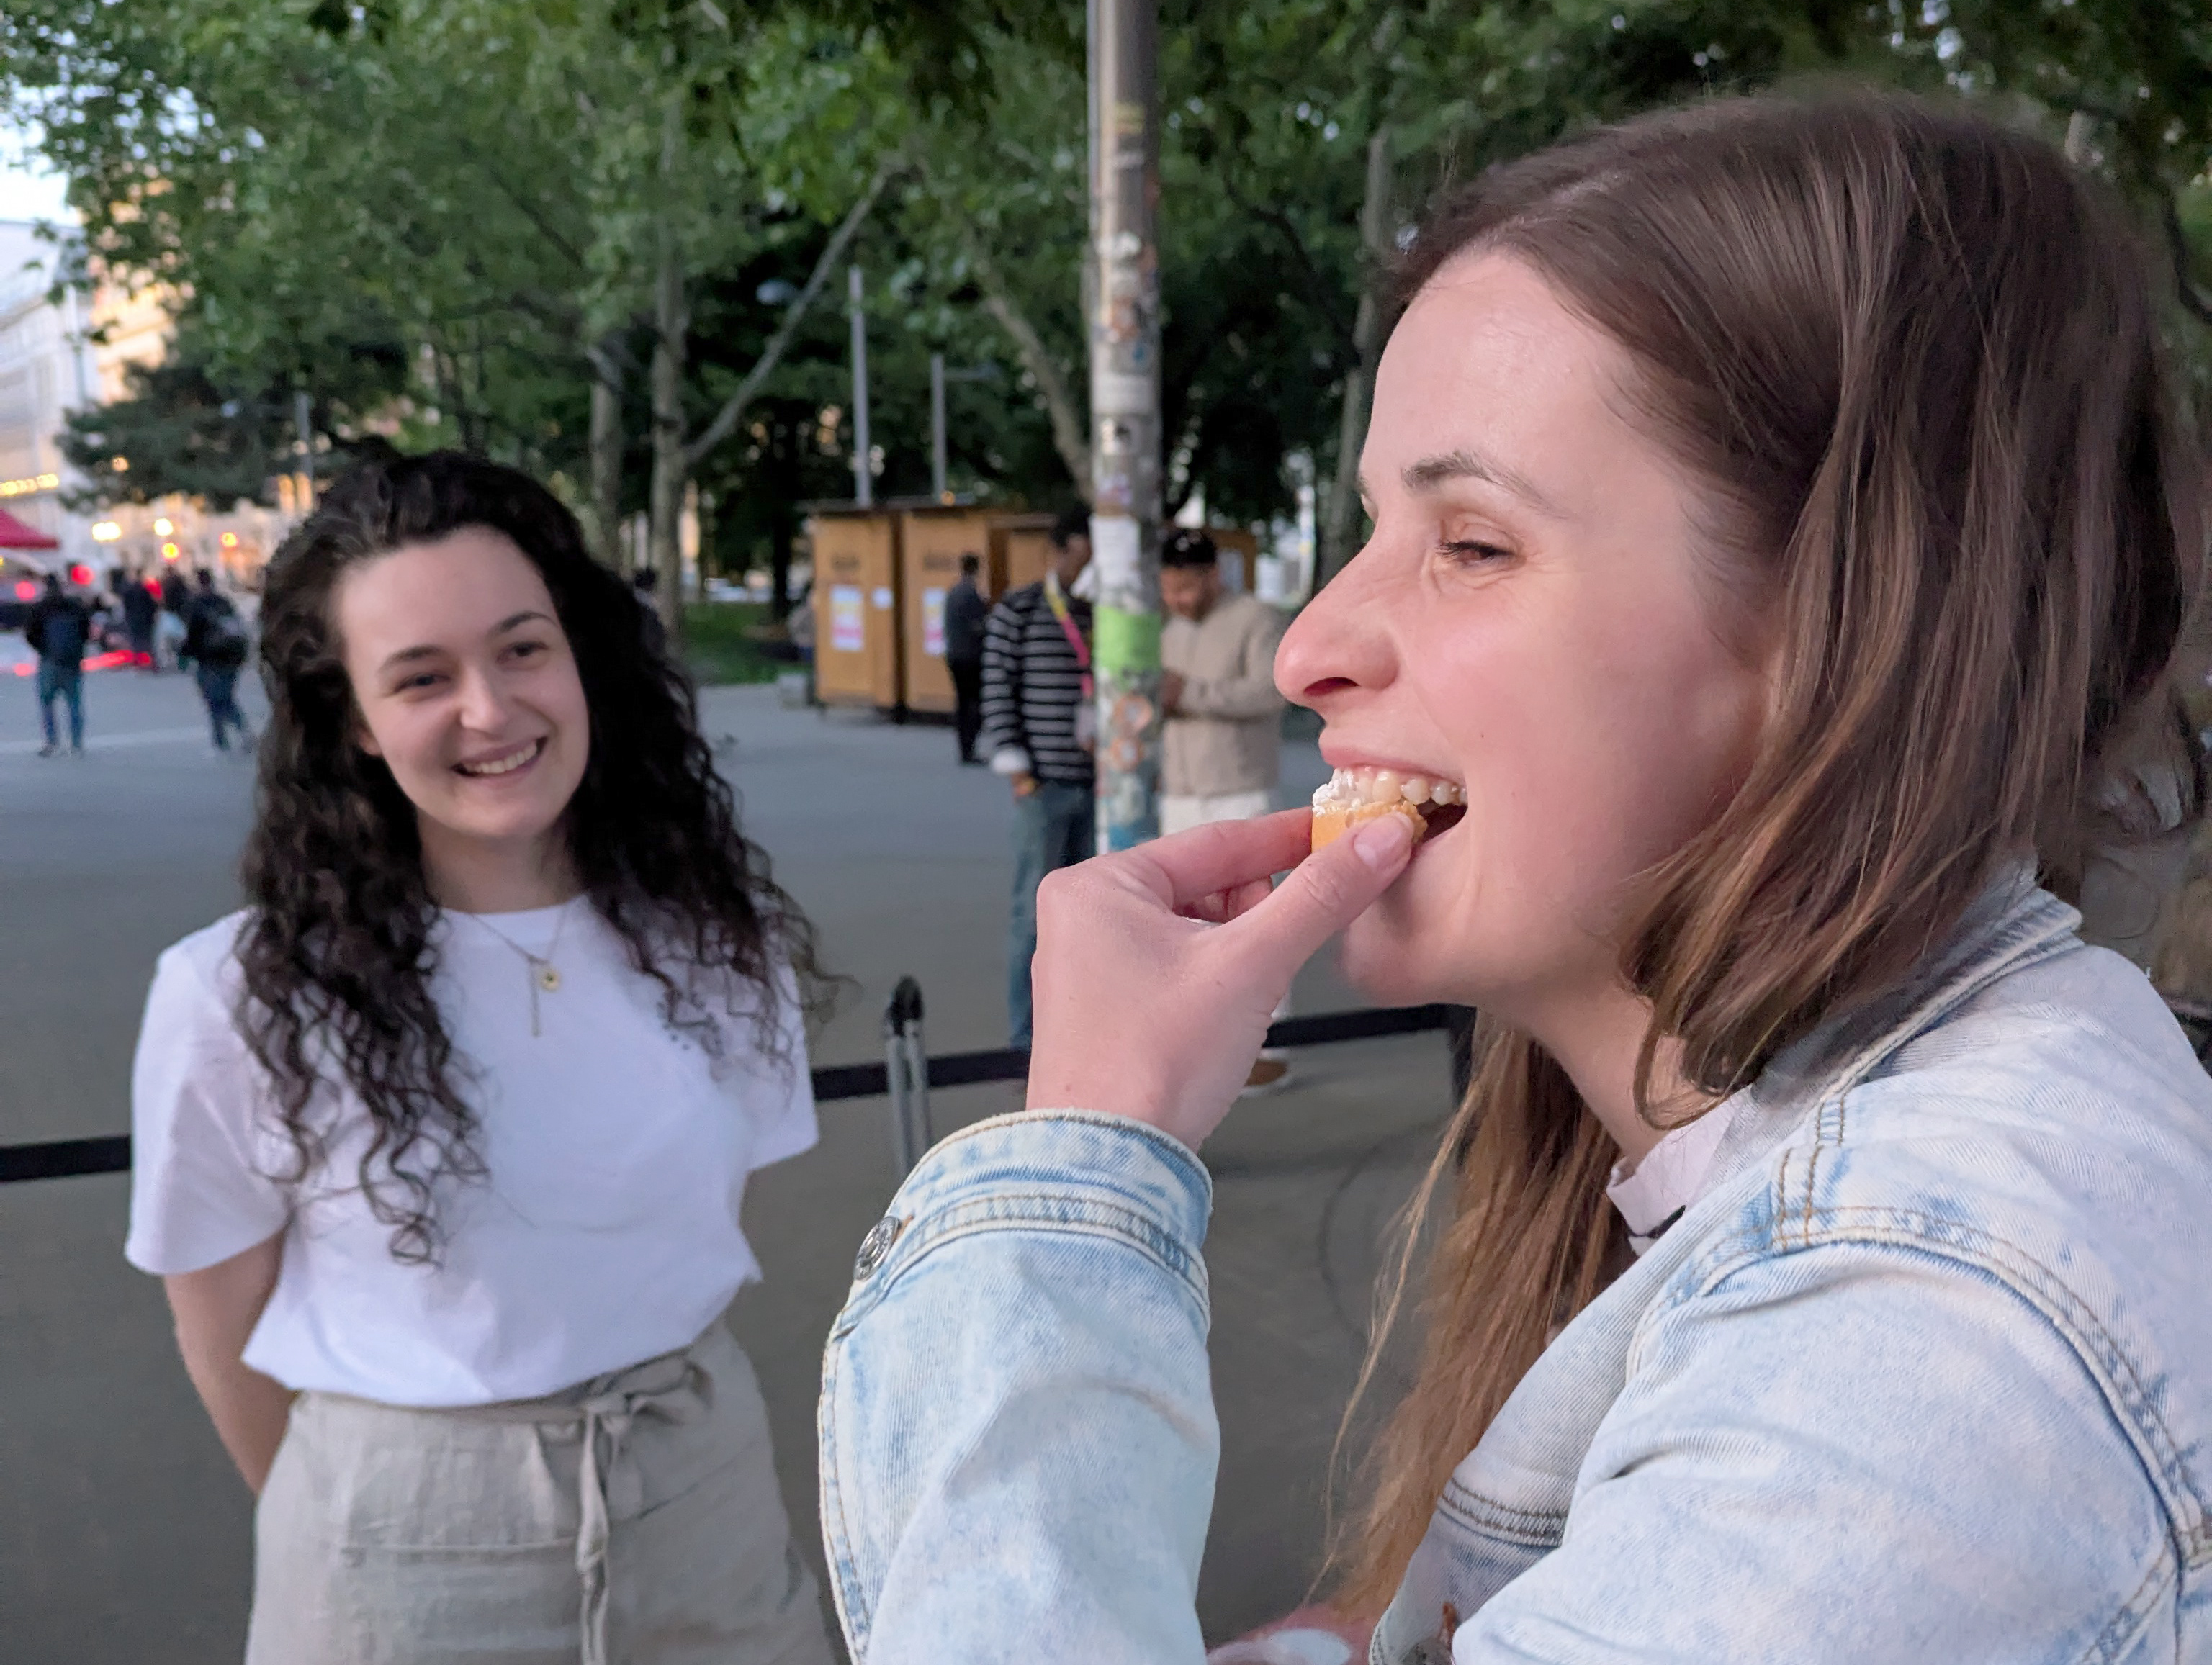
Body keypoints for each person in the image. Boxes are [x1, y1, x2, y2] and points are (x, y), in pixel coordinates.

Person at [812, 93, 2212, 1663]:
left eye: (1471, 542)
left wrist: (1076, 1169)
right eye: (1368, 525)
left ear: (1851, 635)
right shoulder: (1796, 1154)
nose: (1307, 649)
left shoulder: (1931, 1337)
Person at [126, 453, 837, 1665]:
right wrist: (364, 1513)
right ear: (351, 717)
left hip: (702, 1492)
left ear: (582, 655)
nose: (491, 709)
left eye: (522, 648)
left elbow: (693, 1222)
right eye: (420, 677)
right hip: (397, 1545)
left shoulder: (716, 937)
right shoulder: (237, 990)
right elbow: (217, 1320)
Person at [1157, 527, 1293, 1092]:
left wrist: (1189, 694)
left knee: (1259, 919)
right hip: (1179, 790)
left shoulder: (1257, 619)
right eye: (1169, 589)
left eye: (1188, 587)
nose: (1178, 600)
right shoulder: (1167, 629)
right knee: (1187, 921)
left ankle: (1272, 1042)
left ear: (1214, 575)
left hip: (1240, 787)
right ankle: (1208, 1039)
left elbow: (1270, 692)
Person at [980, 505, 1094, 1047]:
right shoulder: (1019, 610)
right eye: (1084, 556)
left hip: (1103, 789)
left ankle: (1078, 1030)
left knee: (1093, 917)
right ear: (1059, 552)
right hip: (1044, 787)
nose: (1093, 569)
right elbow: (997, 692)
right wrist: (1020, 773)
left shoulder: (1111, 615)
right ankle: (1025, 1041)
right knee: (1032, 914)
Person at [181, 568, 253, 752]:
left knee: (215, 699)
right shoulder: (224, 602)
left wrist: (184, 655)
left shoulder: (196, 604)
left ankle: (227, 735)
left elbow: (193, 635)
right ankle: (226, 735)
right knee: (224, 696)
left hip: (209, 658)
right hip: (231, 657)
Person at [25, 569, 88, 757]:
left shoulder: (40, 608)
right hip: (72, 661)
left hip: (49, 660)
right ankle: (76, 743)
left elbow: (30, 634)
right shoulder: (74, 606)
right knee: (74, 703)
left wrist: (43, 649)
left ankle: (52, 742)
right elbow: (85, 631)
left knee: (47, 703)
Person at [943, 551, 989, 764]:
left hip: (953, 653)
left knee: (962, 701)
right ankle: (970, 747)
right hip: (971, 655)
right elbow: (979, 626)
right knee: (974, 702)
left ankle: (964, 748)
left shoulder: (952, 593)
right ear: (977, 569)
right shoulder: (971, 594)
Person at [121, 569, 158, 670]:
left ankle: (138, 662)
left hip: (133, 618)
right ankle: (153, 663)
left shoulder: (129, 590)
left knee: (135, 641)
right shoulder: (145, 590)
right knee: (148, 641)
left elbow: (126, 605)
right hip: (145, 619)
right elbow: (152, 605)